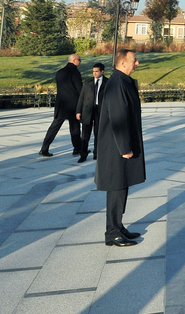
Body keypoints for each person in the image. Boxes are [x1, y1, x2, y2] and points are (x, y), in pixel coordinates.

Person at [95, 49, 145, 247]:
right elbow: (118, 118)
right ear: (123, 63)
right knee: (116, 187)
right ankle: (112, 232)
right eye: (134, 60)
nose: (137, 63)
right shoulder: (117, 84)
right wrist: (125, 147)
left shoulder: (121, 81)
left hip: (120, 145)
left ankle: (118, 225)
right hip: (116, 147)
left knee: (122, 185)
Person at [39, 53, 83, 157]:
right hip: (72, 104)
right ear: (74, 61)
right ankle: (77, 148)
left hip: (61, 104)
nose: (80, 62)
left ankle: (44, 148)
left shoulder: (60, 72)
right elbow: (80, 89)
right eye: (79, 60)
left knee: (54, 127)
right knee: (75, 127)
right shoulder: (75, 72)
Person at [76, 62, 108, 163]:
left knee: (98, 133)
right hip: (87, 110)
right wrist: (78, 111)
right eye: (93, 71)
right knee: (85, 134)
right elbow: (81, 98)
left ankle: (97, 154)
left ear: (102, 71)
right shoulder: (87, 82)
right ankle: (83, 154)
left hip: (100, 110)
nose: (94, 73)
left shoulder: (108, 82)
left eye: (96, 71)